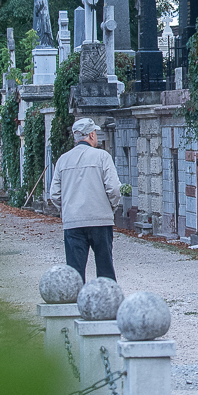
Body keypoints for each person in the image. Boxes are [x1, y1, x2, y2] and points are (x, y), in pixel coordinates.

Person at [47, 117, 123, 281]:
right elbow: (114, 189)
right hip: (100, 219)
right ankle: (107, 302)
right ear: (91, 135)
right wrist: (111, 207)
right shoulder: (102, 157)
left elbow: (54, 194)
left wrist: (67, 208)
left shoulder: (63, 160)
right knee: (105, 268)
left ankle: (75, 303)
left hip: (73, 220)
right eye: (95, 132)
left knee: (75, 272)